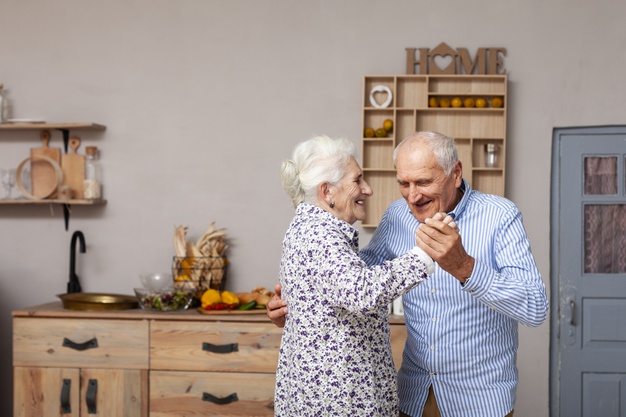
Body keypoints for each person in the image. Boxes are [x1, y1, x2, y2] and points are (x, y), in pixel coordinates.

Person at [268, 131, 549, 417]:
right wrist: (302, 303)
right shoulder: (397, 216)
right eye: (404, 183)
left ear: (455, 172)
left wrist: (464, 266)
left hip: (478, 401)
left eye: (424, 182)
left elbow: (535, 308)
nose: (412, 196)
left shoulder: (500, 216)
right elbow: (356, 279)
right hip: (412, 397)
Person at [274, 135, 457, 417]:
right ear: (327, 192)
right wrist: (424, 254)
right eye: (357, 180)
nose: (367, 190)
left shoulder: (307, 228)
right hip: (339, 401)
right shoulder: (320, 236)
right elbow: (362, 292)